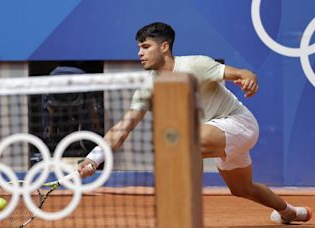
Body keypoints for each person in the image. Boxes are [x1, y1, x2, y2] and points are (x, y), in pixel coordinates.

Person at [78, 22, 312, 224]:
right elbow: (123, 128)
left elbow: (244, 73)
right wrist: (94, 158)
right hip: (211, 135)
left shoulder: (196, 65)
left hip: (239, 123)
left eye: (146, 47)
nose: (140, 53)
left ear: (164, 46)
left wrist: (249, 81)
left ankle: (186, 209)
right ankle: (290, 212)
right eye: (139, 47)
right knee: (243, 189)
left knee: (182, 140)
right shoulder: (147, 88)